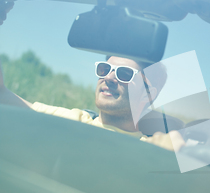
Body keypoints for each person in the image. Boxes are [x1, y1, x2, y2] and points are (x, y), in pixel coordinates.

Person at [0, 54, 185, 151]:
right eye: (104, 69)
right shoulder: (72, 119)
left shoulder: (155, 150)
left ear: (148, 94)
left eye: (124, 74)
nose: (109, 77)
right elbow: (3, 96)